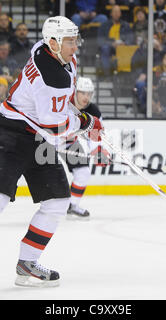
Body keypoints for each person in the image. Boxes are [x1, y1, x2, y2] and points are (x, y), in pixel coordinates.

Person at [0, 16, 104, 290]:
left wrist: (81, 115)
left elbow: (62, 105)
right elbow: (54, 127)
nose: (74, 46)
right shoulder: (49, 75)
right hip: (13, 136)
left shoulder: (55, 55)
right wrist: (86, 123)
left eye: (74, 39)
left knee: (57, 201)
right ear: (53, 42)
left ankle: (27, 264)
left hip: (39, 139)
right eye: (69, 40)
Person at [61, 77, 110, 219]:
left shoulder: (93, 111)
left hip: (68, 143)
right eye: (83, 93)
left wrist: (98, 151)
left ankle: (72, 205)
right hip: (47, 140)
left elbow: (95, 136)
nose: (86, 97)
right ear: (75, 92)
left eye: (89, 94)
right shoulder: (64, 103)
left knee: (83, 172)